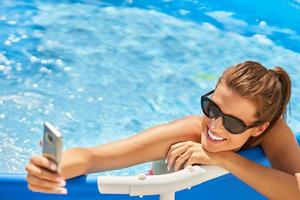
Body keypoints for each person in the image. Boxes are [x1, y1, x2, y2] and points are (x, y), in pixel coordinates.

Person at [25, 61, 300, 199]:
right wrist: (52, 168)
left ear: (258, 128)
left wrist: (223, 158)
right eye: (212, 109)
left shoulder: (273, 133)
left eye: (233, 123)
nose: (214, 126)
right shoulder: (185, 133)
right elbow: (94, 157)